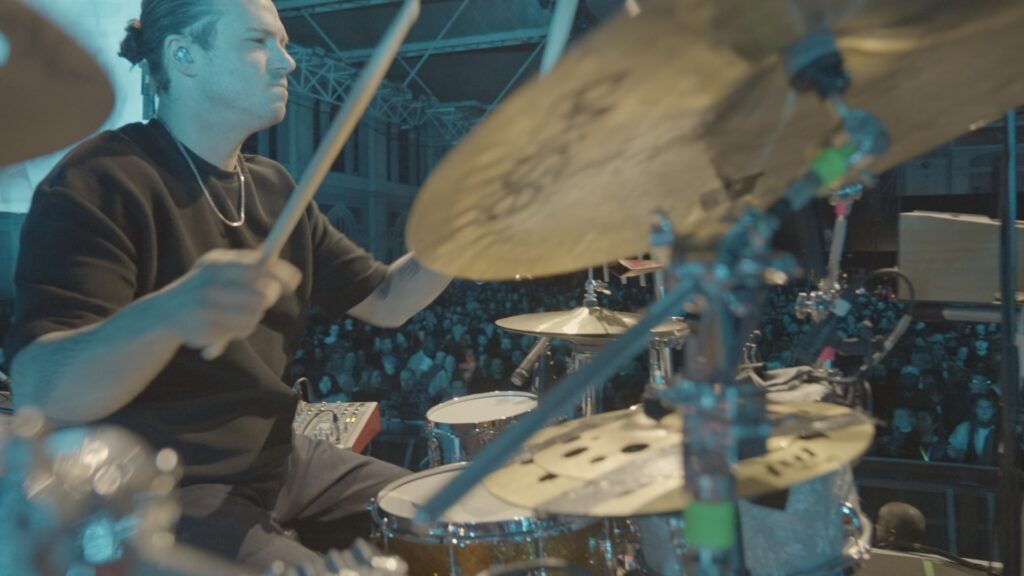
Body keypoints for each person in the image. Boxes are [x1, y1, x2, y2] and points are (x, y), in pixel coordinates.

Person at [6, 0, 450, 570]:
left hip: (282, 460)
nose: (287, 62)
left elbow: (388, 301)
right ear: (184, 55)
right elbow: (42, 390)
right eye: (259, 42)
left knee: (451, 520)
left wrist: (470, 229)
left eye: (284, 43)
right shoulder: (100, 180)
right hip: (170, 485)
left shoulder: (274, 187)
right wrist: (173, 312)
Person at [947, 394, 999, 465]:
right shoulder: (964, 428)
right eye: (980, 407)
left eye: (988, 407)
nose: (984, 410)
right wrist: (958, 453)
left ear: (994, 410)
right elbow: (951, 450)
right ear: (975, 409)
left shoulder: (1000, 430)